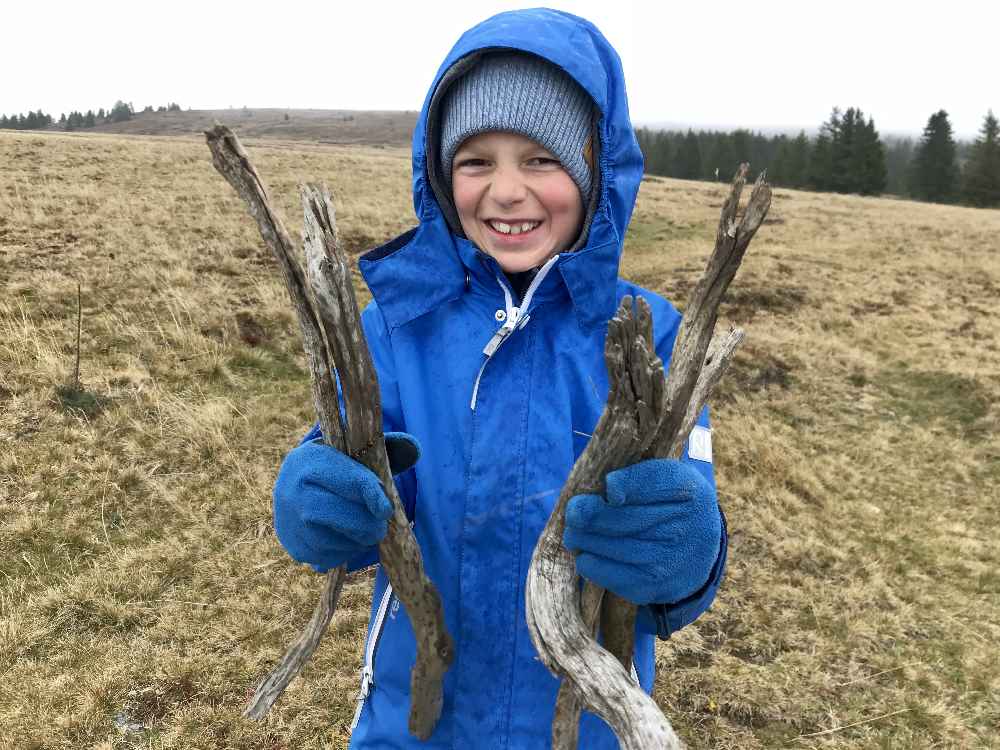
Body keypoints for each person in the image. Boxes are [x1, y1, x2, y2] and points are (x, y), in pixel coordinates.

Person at [272, 8, 727, 748]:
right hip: (415, 725)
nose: (507, 191)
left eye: (542, 160)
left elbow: (687, 521)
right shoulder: (395, 325)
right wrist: (316, 499)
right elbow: (361, 474)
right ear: (439, 171)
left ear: (595, 170)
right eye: (476, 161)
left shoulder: (653, 335)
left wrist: (688, 557)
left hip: (585, 727)